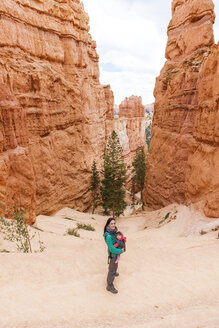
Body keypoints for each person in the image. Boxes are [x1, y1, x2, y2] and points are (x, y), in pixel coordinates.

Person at [104, 218, 125, 294]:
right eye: (111, 224)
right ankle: (109, 286)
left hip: (115, 255)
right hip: (113, 254)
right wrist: (121, 251)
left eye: (114, 223)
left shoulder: (113, 232)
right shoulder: (108, 236)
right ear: (108, 224)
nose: (113, 225)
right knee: (112, 270)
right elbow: (112, 248)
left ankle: (114, 271)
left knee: (115, 265)